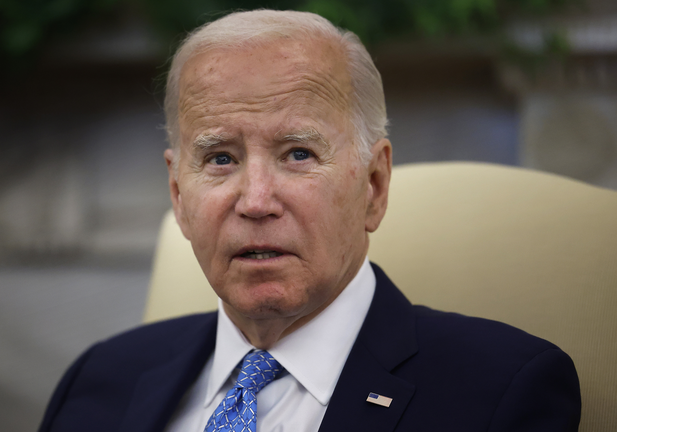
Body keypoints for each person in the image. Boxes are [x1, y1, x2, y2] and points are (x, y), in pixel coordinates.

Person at [38, 9, 581, 432]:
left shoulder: (502, 390)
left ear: (374, 185)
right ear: (179, 196)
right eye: (221, 158)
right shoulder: (99, 380)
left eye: (298, 153)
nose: (255, 200)